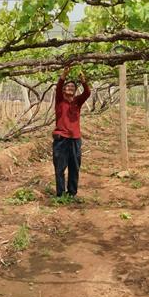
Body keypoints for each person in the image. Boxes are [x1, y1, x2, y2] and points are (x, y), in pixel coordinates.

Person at [52, 66, 90, 198]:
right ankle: (60, 194)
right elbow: (58, 87)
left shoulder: (77, 102)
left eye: (73, 87)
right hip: (61, 138)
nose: (70, 88)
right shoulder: (60, 100)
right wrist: (64, 75)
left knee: (74, 167)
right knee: (60, 167)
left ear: (75, 91)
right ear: (63, 90)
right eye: (68, 87)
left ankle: (72, 193)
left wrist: (83, 80)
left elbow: (87, 93)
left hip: (75, 139)